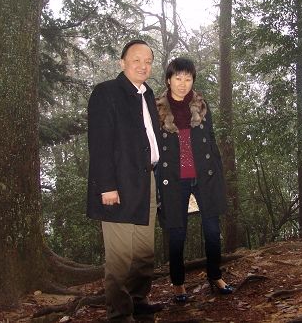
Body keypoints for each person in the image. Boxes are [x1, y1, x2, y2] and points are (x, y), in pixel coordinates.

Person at [87, 39, 163, 322]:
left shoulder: (147, 95)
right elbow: (100, 143)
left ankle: (139, 301)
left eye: (148, 61)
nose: (143, 66)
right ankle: (119, 313)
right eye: (136, 60)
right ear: (122, 62)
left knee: (144, 250)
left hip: (147, 179)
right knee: (121, 255)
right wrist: (107, 186)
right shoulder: (106, 92)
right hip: (119, 184)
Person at [156, 57, 233, 303]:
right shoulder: (156, 109)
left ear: (193, 80)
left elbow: (211, 140)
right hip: (173, 179)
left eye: (187, 79)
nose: (182, 83)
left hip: (204, 177)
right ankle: (178, 283)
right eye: (178, 78)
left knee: (212, 230)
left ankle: (215, 276)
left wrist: (218, 174)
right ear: (168, 80)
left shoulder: (201, 105)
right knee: (177, 234)